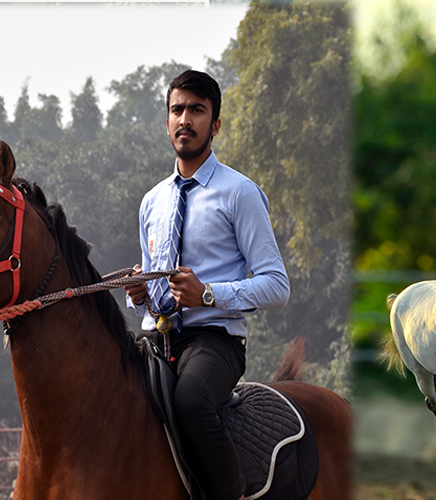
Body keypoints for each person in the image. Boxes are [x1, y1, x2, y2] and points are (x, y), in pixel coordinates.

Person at [123, 70, 289, 500]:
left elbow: (277, 285)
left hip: (215, 340)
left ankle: (228, 493)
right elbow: (153, 286)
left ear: (214, 124)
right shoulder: (151, 201)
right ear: (167, 122)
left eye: (197, 110)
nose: (185, 120)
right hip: (155, 340)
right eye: (177, 110)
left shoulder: (240, 193)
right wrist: (139, 294)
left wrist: (209, 294)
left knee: (192, 401)